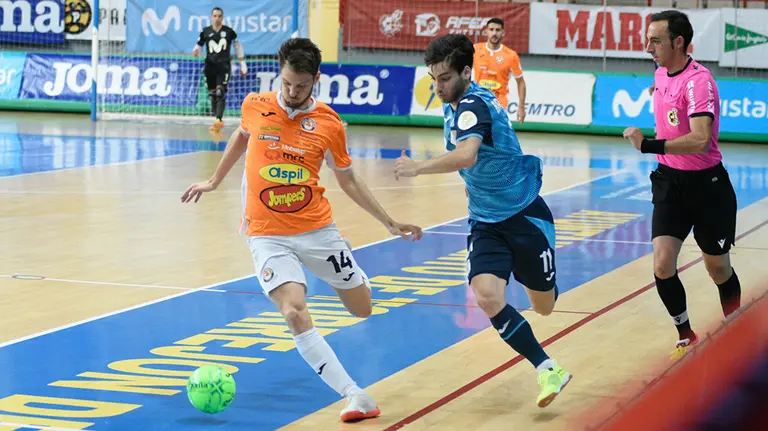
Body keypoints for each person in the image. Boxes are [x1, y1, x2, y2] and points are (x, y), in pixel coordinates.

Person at [181, 37, 422, 422]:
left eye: (302, 86)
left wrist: (389, 222)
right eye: (287, 83)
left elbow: (350, 180)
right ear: (281, 74)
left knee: (362, 309)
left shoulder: (328, 123)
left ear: (316, 80)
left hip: (317, 231)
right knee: (294, 311)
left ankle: (350, 268)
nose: (292, 93)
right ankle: (355, 395)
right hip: (266, 232)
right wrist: (213, 180)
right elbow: (241, 138)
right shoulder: (255, 106)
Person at [394, 34, 571, 408]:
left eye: (444, 78)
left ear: (465, 72)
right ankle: (547, 367)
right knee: (488, 296)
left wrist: (418, 168)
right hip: (485, 221)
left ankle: (541, 276)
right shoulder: (454, 103)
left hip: (524, 215)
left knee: (544, 306)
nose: (437, 86)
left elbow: (467, 156)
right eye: (433, 78)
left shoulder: (473, 104)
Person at [623, 10, 741, 359]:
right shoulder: (661, 71)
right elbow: (664, 86)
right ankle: (685, 334)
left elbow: (701, 139)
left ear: (678, 42)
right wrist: (658, 88)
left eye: (655, 41)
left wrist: (649, 145)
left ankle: (735, 333)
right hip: (669, 182)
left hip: (708, 186)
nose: (648, 48)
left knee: (717, 268)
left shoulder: (700, 81)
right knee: (662, 264)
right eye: (648, 40)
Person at [192, 7, 248, 132]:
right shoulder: (205, 32)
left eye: (219, 16)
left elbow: (237, 47)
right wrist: (196, 51)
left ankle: (219, 120)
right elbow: (198, 46)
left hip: (224, 66)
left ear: (222, 18)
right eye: (215, 16)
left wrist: (242, 63)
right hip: (210, 66)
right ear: (211, 17)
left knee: (220, 92)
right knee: (212, 94)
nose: (217, 18)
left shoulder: (229, 32)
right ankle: (216, 118)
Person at [472, 18, 527, 124]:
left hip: (499, 104)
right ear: (486, 32)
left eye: (497, 30)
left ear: (503, 33)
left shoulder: (511, 56)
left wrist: (521, 107)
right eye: (491, 29)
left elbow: (521, 82)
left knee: (495, 136)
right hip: (478, 100)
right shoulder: (475, 50)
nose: (494, 33)